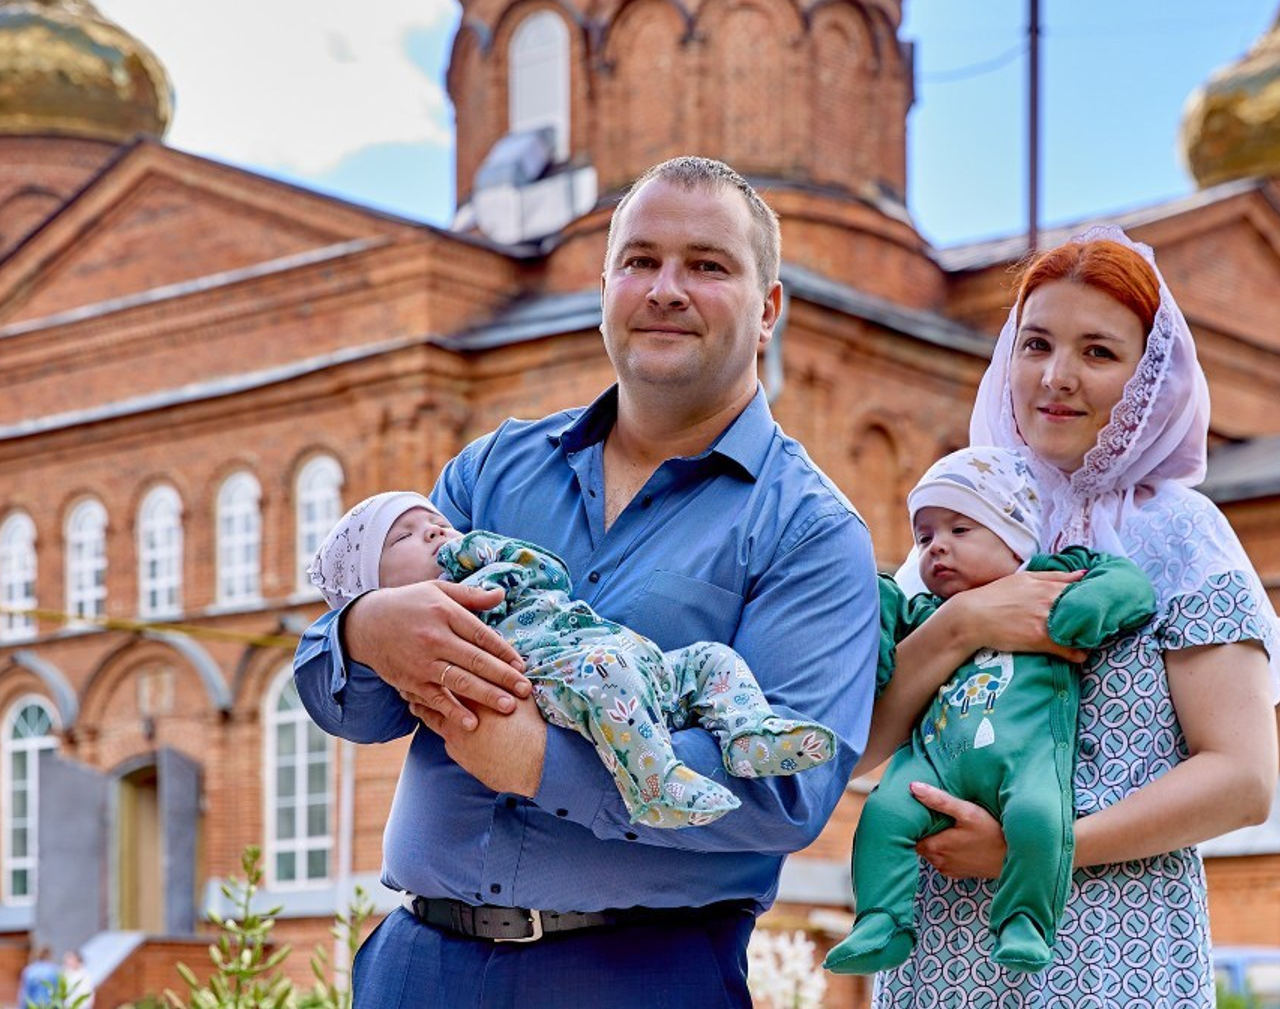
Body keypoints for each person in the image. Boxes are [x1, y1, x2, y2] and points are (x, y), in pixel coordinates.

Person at [293, 156, 880, 1008]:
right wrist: (365, 631)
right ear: (604, 286)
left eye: (707, 265)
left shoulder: (810, 533)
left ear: (769, 309)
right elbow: (349, 703)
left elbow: (786, 795)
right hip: (418, 966)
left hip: (637, 975)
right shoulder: (491, 470)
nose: (665, 289)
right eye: (640, 261)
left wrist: (542, 765)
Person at [860, 225, 1280, 1007]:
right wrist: (964, 624)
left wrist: (1033, 850)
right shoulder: (953, 527)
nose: (1056, 377)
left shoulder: (1182, 536)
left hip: (1108, 954)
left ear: (1150, 379)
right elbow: (858, 748)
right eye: (1036, 344)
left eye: (1098, 352)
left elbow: (1244, 781)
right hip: (941, 964)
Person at [308, 490, 836, 828]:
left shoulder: (492, 569)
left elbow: (549, 573)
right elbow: (363, 707)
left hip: (635, 664)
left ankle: (747, 734)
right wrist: (366, 628)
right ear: (374, 588)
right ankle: (653, 784)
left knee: (711, 660)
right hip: (564, 676)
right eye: (404, 536)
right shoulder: (439, 629)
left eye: (438, 523)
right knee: (607, 675)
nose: (436, 531)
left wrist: (488, 552)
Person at [824, 445, 1155, 976]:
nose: (937, 549)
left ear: (1014, 535)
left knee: (1039, 817)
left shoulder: (1051, 578)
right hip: (934, 759)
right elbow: (881, 629)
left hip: (1024, 758)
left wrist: (1083, 609)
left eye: (960, 530)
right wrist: (879, 615)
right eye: (925, 536)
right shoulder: (926, 613)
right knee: (883, 814)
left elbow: (1127, 585)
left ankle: (1024, 919)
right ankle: (880, 920)